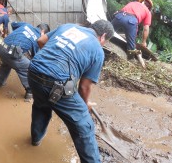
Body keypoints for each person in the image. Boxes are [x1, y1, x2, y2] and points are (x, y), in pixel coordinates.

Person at [27, 20, 114, 163]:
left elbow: (41, 40)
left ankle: (35, 140)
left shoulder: (68, 27)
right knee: (85, 126)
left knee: (41, 105)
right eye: (106, 41)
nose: (103, 44)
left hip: (33, 71)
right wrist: (85, 105)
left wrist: (51, 61)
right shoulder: (98, 50)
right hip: (56, 83)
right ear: (103, 36)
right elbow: (84, 87)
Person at [0, 22, 50, 100]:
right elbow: (35, 58)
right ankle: (30, 92)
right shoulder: (38, 38)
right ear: (43, 32)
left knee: (7, 63)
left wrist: (18, 35)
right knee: (28, 67)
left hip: (1, 47)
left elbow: (12, 24)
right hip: (11, 52)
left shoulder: (27, 25)